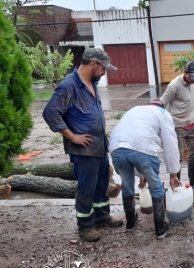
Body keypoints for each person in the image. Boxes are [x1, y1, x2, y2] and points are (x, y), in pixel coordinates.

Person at [43, 48, 123, 242]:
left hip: (98, 146)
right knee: (86, 188)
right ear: (94, 63)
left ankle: (102, 216)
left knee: (101, 183)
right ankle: (85, 226)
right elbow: (50, 112)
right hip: (84, 150)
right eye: (104, 68)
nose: (105, 73)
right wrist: (72, 136)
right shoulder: (68, 86)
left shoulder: (92, 82)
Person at [109, 100, 181, 239]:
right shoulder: (163, 114)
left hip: (116, 148)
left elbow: (129, 148)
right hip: (143, 149)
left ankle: (130, 223)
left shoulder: (135, 109)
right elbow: (170, 144)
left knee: (127, 186)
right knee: (156, 188)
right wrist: (173, 173)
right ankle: (160, 229)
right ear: (161, 107)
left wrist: (141, 174)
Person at [160, 61, 194, 194]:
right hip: (177, 126)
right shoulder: (174, 86)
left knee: (193, 154)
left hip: (192, 123)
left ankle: (193, 183)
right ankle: (175, 185)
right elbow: (161, 104)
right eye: (191, 77)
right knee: (177, 157)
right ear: (185, 72)